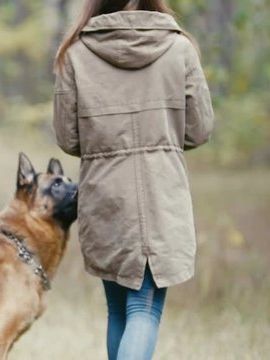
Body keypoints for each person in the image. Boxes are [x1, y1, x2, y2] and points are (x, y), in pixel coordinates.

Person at [52, 1, 214, 359]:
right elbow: (200, 129)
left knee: (118, 309)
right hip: (161, 197)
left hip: (104, 197)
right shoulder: (178, 47)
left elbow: (67, 139)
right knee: (144, 310)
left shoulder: (76, 53)